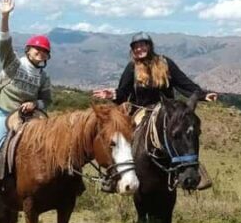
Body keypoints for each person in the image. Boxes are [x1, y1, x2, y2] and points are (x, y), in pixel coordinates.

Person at [93, 32, 217, 189]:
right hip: (142, 110)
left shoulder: (165, 63)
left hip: (167, 110)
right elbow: (123, 92)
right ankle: (115, 175)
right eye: (136, 47)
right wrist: (112, 95)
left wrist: (203, 95)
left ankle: (193, 170)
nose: (139, 49)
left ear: (149, 46)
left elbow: (184, 83)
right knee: (122, 137)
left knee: (186, 132)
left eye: (142, 45)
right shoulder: (132, 68)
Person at [0, 0, 53, 219]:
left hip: (30, 116)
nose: (40, 53)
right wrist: (4, 17)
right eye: (36, 49)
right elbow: (3, 44)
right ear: (28, 50)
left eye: (44, 51)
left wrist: (36, 103)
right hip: (5, 114)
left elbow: (48, 100)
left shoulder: (43, 77)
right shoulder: (13, 65)